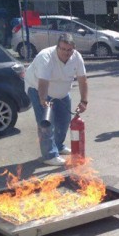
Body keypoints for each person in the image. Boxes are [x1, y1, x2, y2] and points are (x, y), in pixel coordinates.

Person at [24, 33, 88, 166]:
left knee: (64, 121)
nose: (66, 52)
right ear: (57, 47)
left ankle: (58, 145)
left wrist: (84, 101)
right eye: (63, 49)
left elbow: (82, 80)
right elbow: (43, 82)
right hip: (38, 89)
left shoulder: (76, 57)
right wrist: (43, 99)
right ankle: (49, 155)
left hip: (62, 92)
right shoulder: (46, 57)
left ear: (73, 49)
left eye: (69, 50)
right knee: (47, 124)